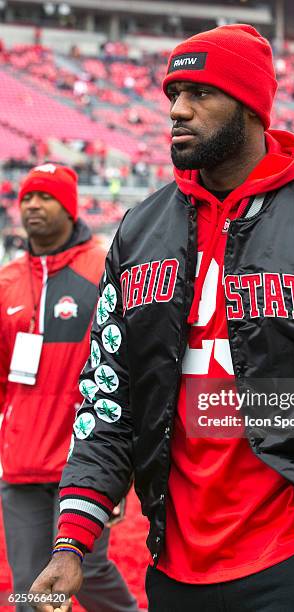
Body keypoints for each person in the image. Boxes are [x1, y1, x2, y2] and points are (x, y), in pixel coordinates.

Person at [31, 26, 294, 612]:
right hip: (173, 563)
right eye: (173, 93)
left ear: (248, 104)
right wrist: (72, 542)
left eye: (199, 93)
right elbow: (109, 395)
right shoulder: (140, 230)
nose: (177, 109)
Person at [0, 163, 139, 612]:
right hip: (21, 463)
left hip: (85, 457)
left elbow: (128, 365)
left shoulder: (104, 267)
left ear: (70, 206)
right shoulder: (6, 283)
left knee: (89, 571)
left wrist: (123, 466)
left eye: (45, 197)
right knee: (27, 586)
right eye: (26, 198)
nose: (33, 206)